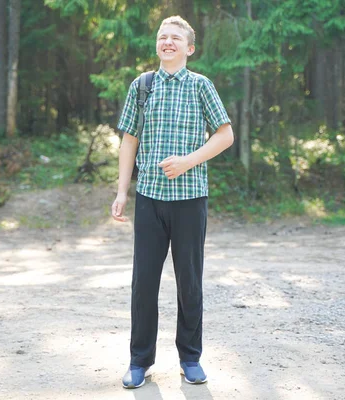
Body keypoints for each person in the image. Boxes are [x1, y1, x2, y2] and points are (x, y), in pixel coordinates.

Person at [111, 15, 234, 389]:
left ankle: (190, 358)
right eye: (162, 37)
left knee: (189, 283)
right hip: (149, 200)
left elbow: (225, 135)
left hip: (190, 200)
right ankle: (139, 361)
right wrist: (121, 191)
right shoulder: (142, 86)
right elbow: (129, 140)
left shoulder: (201, 86)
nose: (167, 42)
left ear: (189, 48)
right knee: (143, 283)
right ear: (157, 45)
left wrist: (187, 162)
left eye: (175, 38)